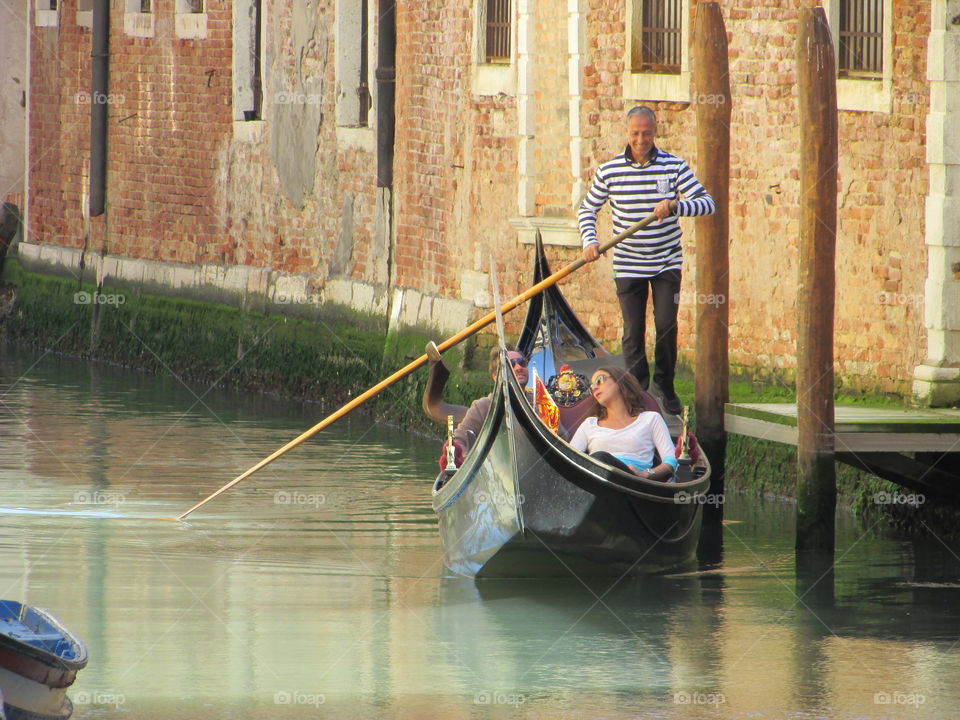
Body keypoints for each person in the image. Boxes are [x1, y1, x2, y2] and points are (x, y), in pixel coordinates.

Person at [578, 105, 716, 415]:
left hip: (667, 261)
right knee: (633, 331)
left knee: (666, 325)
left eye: (646, 133)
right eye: (635, 133)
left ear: (655, 133)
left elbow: (707, 204)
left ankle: (665, 388)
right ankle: (638, 392)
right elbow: (587, 209)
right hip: (628, 263)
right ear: (627, 134)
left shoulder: (674, 166)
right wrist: (590, 241)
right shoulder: (609, 170)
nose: (641, 139)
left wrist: (676, 206)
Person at [569, 366, 678, 481]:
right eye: (591, 386)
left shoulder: (651, 419)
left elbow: (671, 461)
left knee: (600, 457)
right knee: (598, 460)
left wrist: (646, 474)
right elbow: (570, 460)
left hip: (632, 484)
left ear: (619, 381)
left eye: (599, 380)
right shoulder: (589, 424)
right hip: (596, 480)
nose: (594, 387)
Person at [439, 346, 529, 470]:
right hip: (494, 479)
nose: (518, 368)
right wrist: (462, 458)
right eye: (511, 365)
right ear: (495, 376)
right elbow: (459, 442)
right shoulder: (482, 407)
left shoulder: (542, 403)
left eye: (522, 363)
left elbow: (560, 438)